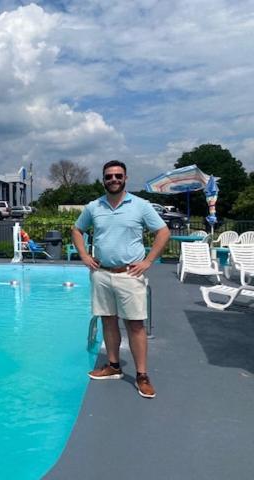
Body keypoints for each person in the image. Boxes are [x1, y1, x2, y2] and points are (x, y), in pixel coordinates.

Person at [71, 160, 170, 398]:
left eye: (118, 176)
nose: (113, 179)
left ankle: (142, 375)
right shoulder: (94, 207)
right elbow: (77, 230)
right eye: (109, 176)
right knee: (108, 320)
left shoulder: (140, 205)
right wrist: (84, 255)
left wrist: (148, 261)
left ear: (125, 178)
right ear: (103, 180)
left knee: (135, 325)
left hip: (129, 274)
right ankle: (113, 366)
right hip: (102, 273)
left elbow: (163, 232)